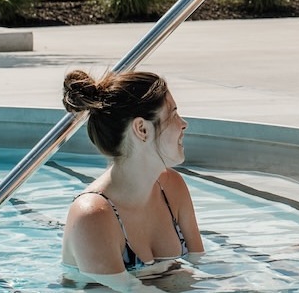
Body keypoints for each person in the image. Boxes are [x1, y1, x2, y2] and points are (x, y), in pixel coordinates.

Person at [59, 70, 203, 289]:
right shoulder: (92, 215)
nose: (183, 124)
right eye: (173, 114)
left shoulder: (172, 187)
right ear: (142, 129)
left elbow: (200, 264)